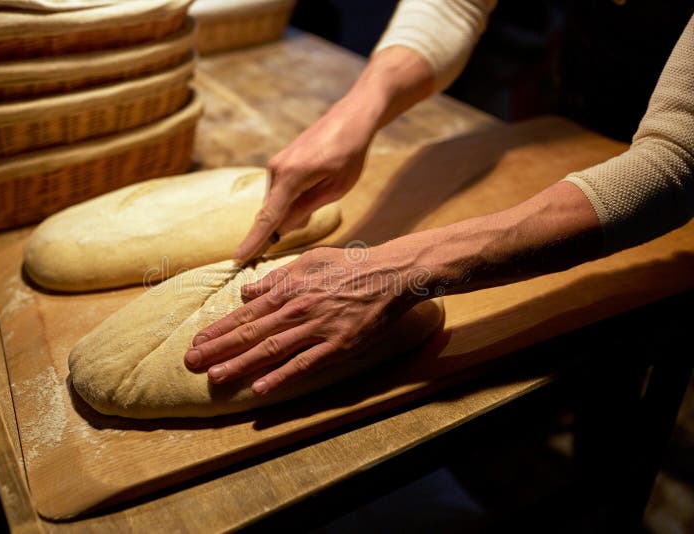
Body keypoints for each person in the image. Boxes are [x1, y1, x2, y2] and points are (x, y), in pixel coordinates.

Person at [184, 0, 694, 396]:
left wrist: (402, 267)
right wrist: (357, 111)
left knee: (616, 357)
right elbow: (455, 5)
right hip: (593, 87)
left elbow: (678, 157)